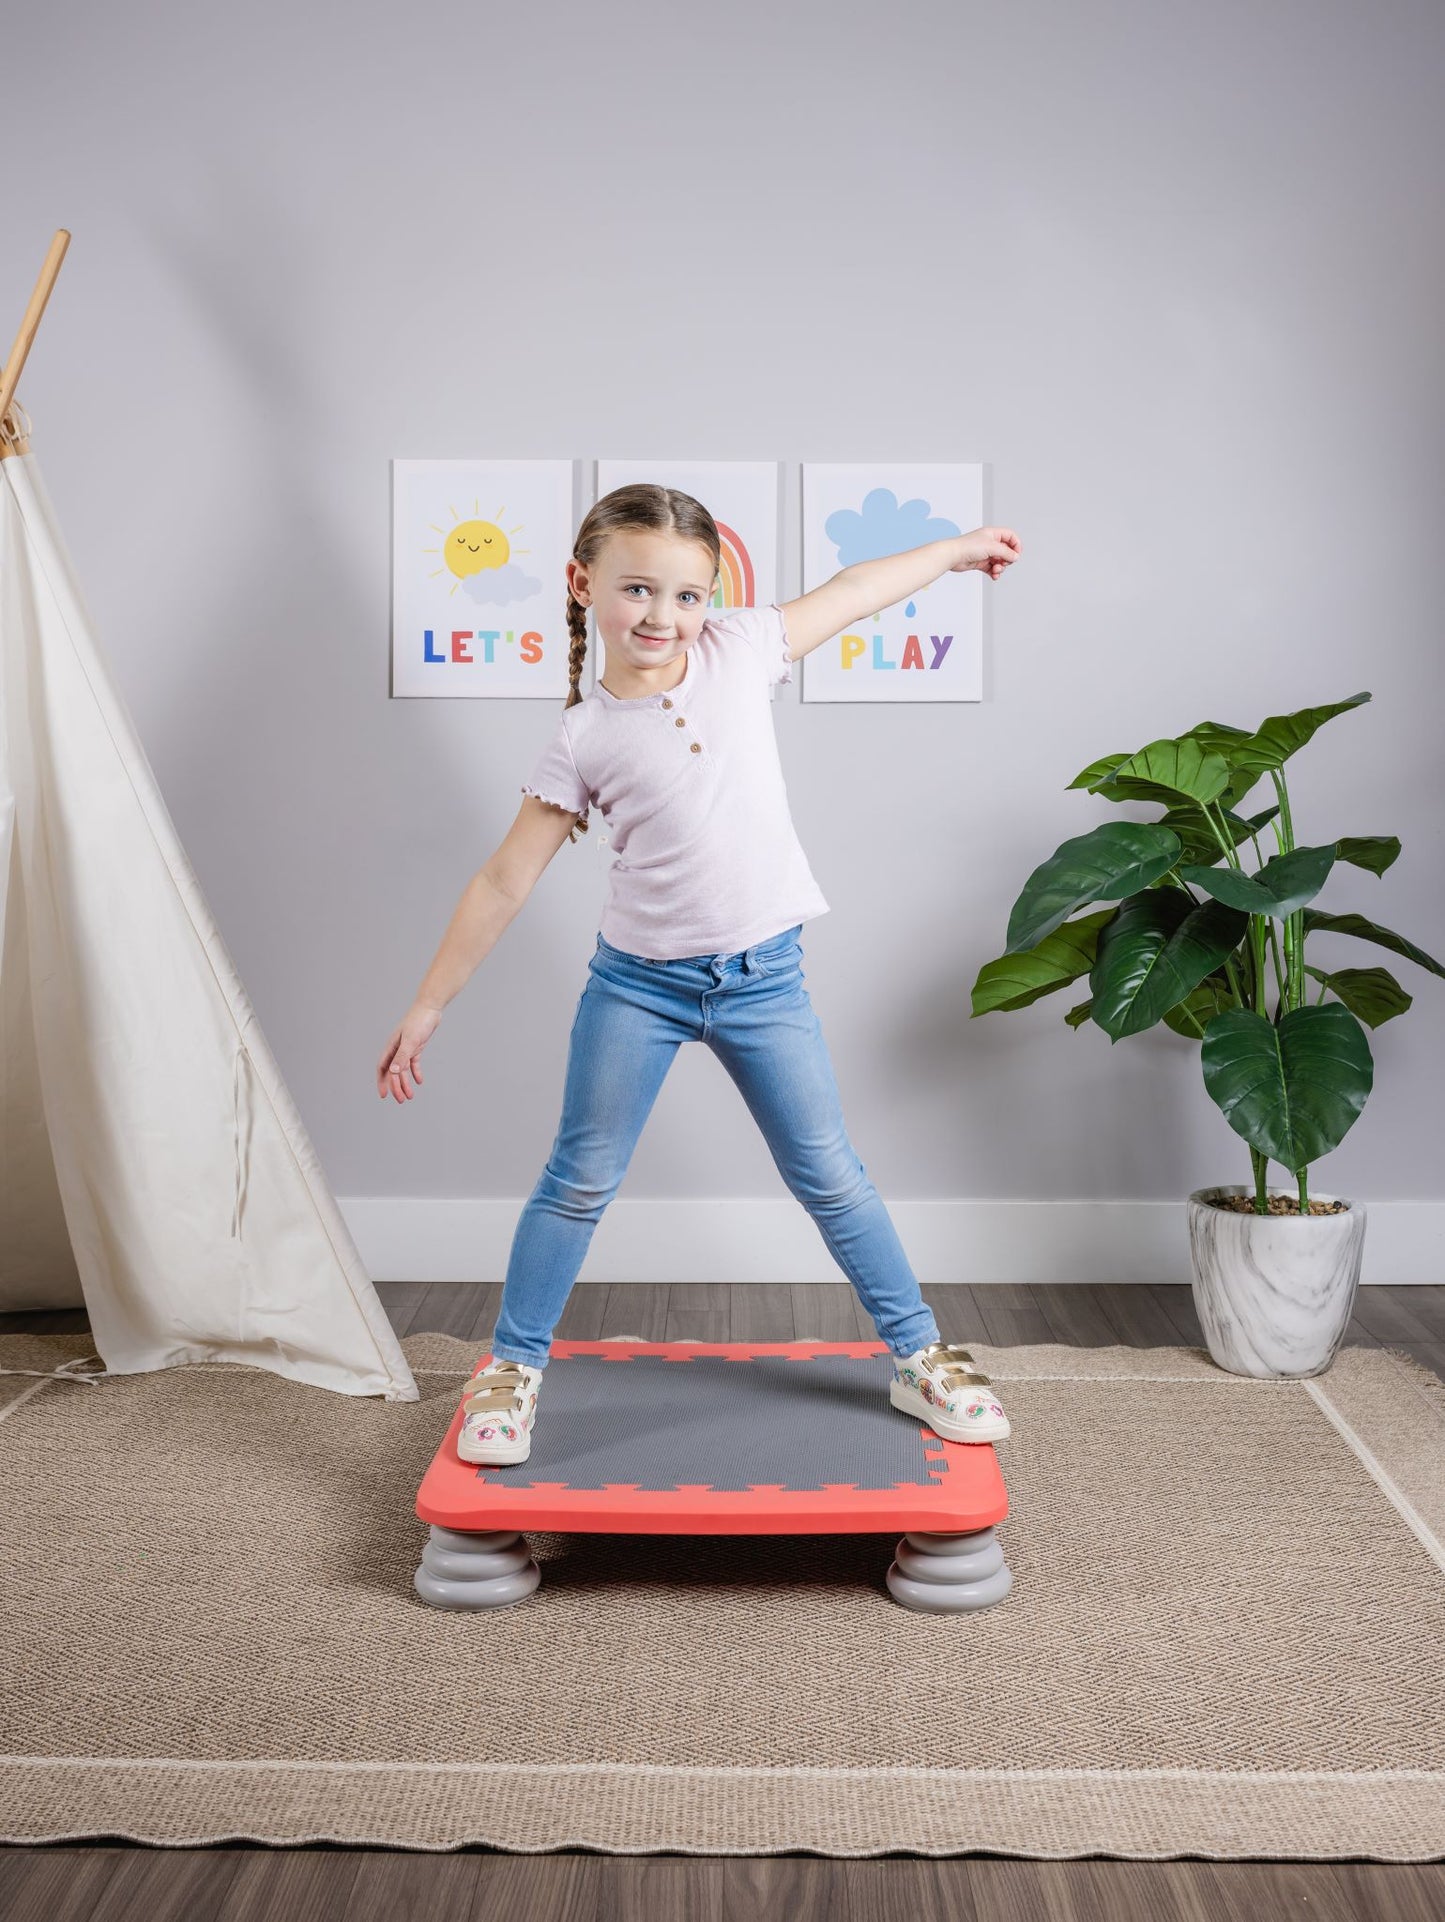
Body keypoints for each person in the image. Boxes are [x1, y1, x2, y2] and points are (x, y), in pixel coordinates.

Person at [377, 484, 1022, 1466]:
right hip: (637, 985)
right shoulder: (582, 736)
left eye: (685, 595)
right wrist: (427, 1004)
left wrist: (954, 548)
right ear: (582, 582)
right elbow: (505, 878)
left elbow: (853, 589)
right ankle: (510, 1370)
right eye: (638, 589)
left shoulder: (740, 651)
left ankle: (918, 1354)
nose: (661, 616)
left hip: (764, 980)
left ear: (710, 598)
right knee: (578, 1178)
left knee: (831, 1175)